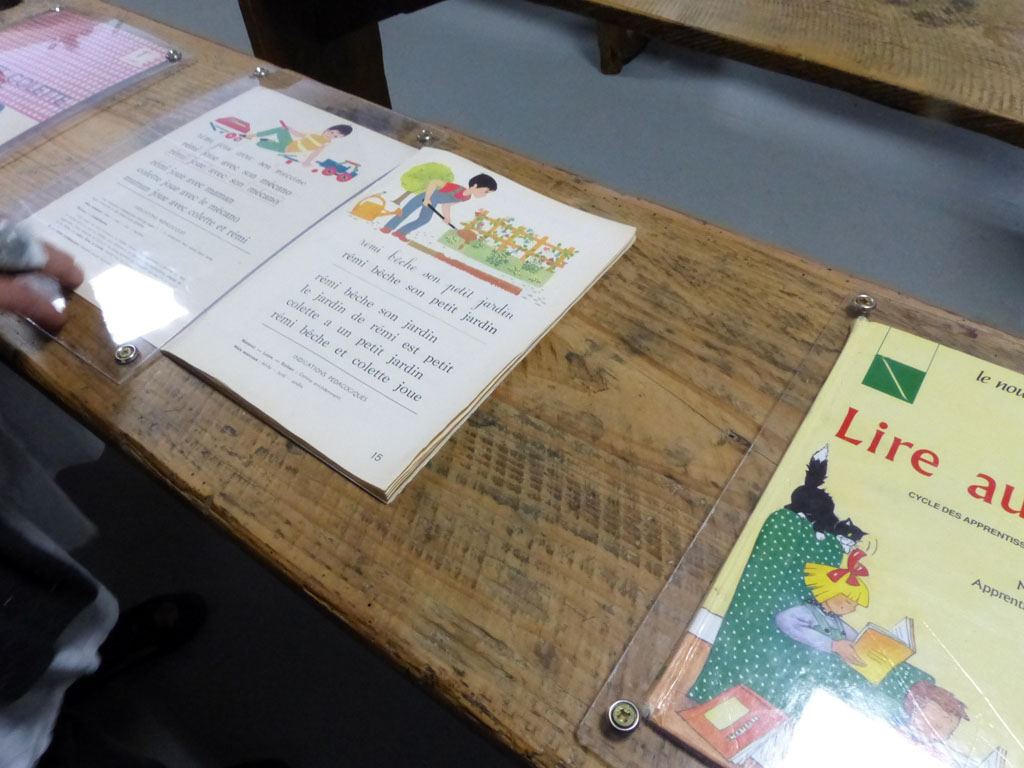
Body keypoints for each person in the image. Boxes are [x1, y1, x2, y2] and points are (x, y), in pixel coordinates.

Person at [774, 548, 870, 667]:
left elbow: (856, 638)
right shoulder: (806, 612)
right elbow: (783, 619)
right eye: (848, 601)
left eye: (855, 606)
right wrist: (834, 645)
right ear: (830, 592)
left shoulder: (838, 623)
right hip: (804, 665)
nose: (852, 609)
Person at [381, 172, 496, 242]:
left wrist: (447, 218)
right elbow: (434, 182)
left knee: (424, 219)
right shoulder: (456, 188)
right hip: (424, 197)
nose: (485, 195)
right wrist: (427, 198)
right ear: (475, 186)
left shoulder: (466, 197)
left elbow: (447, 205)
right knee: (405, 212)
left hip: (433, 203)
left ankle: (400, 232)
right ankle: (387, 227)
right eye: (486, 191)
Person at [250, 121, 352, 166]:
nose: (331, 136)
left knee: (259, 144)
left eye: (335, 136)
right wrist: (290, 129)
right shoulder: (314, 135)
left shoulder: (325, 143)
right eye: (332, 132)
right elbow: (299, 135)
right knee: (281, 129)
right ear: (328, 129)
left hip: (287, 149)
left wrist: (307, 161)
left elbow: (315, 153)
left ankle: (270, 142)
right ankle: (254, 135)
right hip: (289, 143)